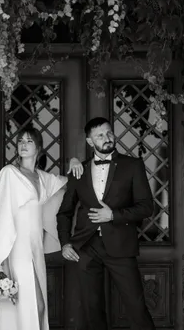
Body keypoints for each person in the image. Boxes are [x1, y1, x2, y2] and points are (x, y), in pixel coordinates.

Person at [57, 117, 156, 330]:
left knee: (136, 308)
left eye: (109, 133)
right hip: (86, 247)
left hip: (121, 245)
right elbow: (64, 212)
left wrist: (113, 216)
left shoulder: (133, 165)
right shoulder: (78, 171)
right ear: (90, 142)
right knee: (92, 312)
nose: (107, 138)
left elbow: (147, 207)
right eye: (100, 135)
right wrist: (65, 243)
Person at [0, 125, 83, 330]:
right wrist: (3, 263)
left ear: (38, 148)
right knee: (35, 306)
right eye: (20, 141)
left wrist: (74, 161)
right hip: (16, 250)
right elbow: (1, 217)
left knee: (35, 308)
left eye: (29, 141)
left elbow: (71, 182)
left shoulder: (43, 179)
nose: (23, 145)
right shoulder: (9, 173)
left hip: (35, 250)